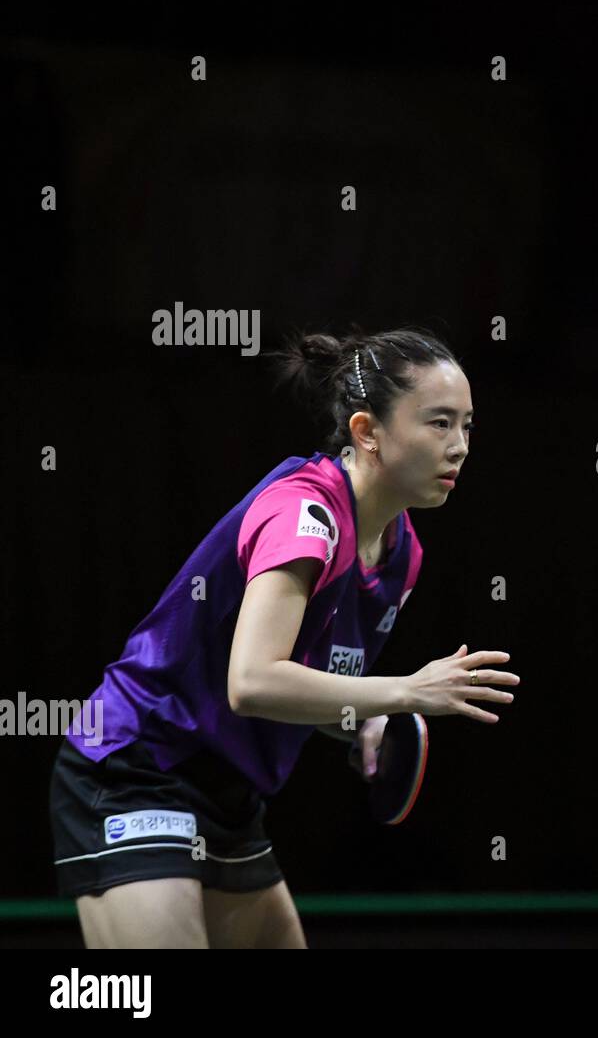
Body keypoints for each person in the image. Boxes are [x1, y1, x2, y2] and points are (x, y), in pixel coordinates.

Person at [49, 325, 520, 948]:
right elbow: (253, 682)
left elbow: (308, 688)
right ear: (366, 431)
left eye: (467, 425)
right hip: (136, 767)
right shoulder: (305, 515)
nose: (459, 446)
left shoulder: (402, 552)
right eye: (438, 423)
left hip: (229, 793)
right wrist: (406, 692)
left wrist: (360, 721)